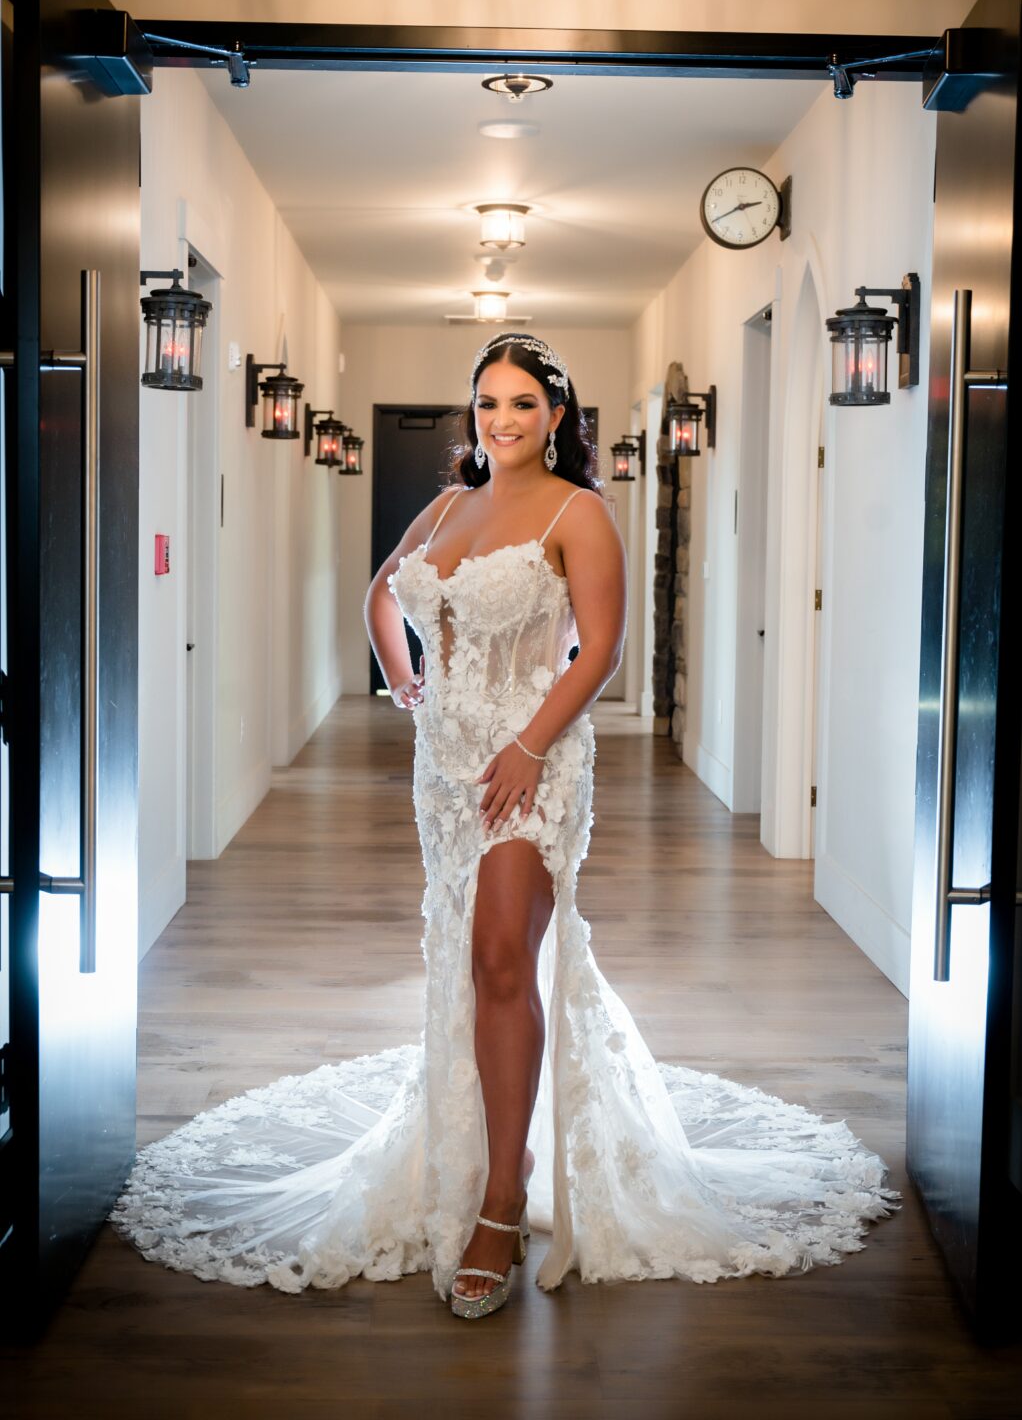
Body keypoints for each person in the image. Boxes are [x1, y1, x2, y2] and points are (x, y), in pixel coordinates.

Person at [111, 334, 900, 1317]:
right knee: (463, 953)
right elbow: (381, 592)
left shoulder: (580, 513)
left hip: (531, 763)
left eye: (523, 403)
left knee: (498, 956)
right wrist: (402, 674)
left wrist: (526, 746)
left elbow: (601, 650)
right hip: (441, 768)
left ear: (556, 415)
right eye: (487, 403)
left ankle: (500, 1198)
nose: (502, 419)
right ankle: (481, 1142)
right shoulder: (448, 505)